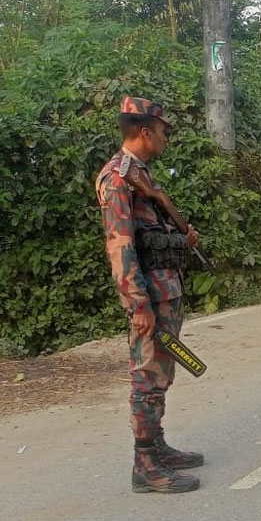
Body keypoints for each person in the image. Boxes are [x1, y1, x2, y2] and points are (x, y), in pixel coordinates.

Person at [96, 96, 203, 494]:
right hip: (150, 299)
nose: (165, 138)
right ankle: (145, 463)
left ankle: (157, 446)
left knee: (161, 373)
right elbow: (121, 246)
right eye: (162, 131)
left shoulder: (142, 177)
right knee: (146, 376)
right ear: (144, 131)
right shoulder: (118, 178)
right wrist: (138, 304)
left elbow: (150, 236)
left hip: (165, 293)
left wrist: (180, 237)